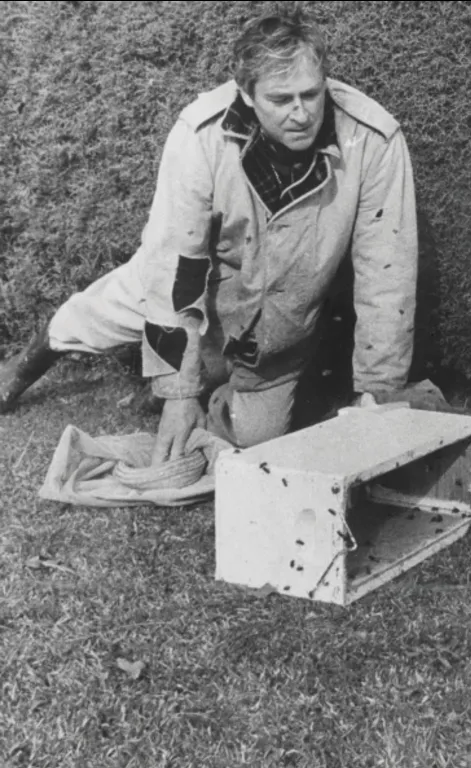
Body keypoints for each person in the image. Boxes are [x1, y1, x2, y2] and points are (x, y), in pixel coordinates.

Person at [0, 4, 418, 464]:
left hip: (280, 320)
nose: (301, 113)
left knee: (256, 438)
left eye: (311, 94)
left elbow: (387, 274)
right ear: (247, 94)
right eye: (281, 100)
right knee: (89, 319)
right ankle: (24, 365)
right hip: (186, 282)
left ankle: (205, 394)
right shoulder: (201, 133)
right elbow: (175, 266)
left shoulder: (374, 139)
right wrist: (177, 394)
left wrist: (378, 391)